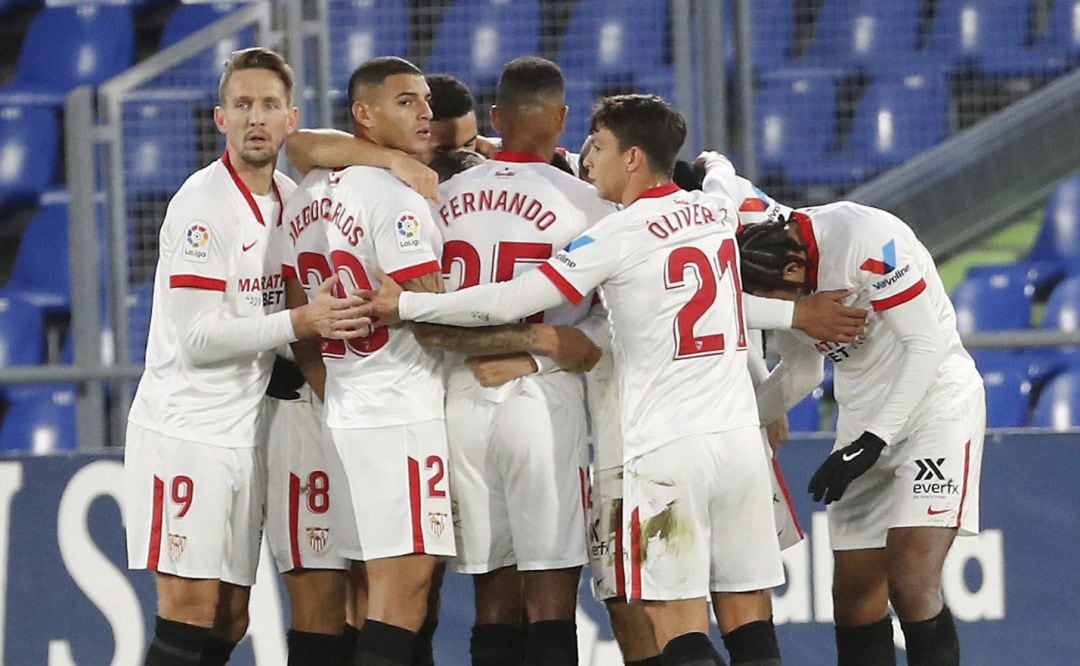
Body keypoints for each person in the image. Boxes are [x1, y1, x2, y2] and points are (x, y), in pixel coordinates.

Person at [354, 94, 867, 666]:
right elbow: (725, 182)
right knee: (749, 623)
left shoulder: (619, 235)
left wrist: (411, 307)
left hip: (666, 455)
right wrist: (719, 161)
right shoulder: (714, 213)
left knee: (675, 624)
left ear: (633, 158)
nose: (587, 160)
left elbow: (520, 297)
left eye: (598, 148)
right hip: (739, 446)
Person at [123, 47, 367, 665]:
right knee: (190, 609)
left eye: (268, 105)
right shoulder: (204, 205)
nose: (254, 118)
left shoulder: (290, 197)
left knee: (230, 618)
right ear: (219, 118)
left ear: (292, 119)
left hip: (244, 431)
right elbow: (199, 337)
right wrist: (302, 319)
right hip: (188, 429)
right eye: (241, 106)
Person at [736, 206, 985, 666]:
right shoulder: (777, 272)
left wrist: (873, 441)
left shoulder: (866, 239)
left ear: (795, 271)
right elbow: (803, 371)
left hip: (935, 406)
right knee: (854, 598)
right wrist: (735, 424)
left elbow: (926, 344)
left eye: (775, 302)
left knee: (911, 578)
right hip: (861, 418)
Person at [280, 55, 458, 666]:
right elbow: (429, 313)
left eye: (427, 101)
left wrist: (332, 388)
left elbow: (299, 315)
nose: (425, 113)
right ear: (363, 114)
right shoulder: (394, 197)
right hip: (401, 408)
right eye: (407, 101)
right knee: (404, 592)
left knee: (362, 596)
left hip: (345, 408)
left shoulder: (303, 198)